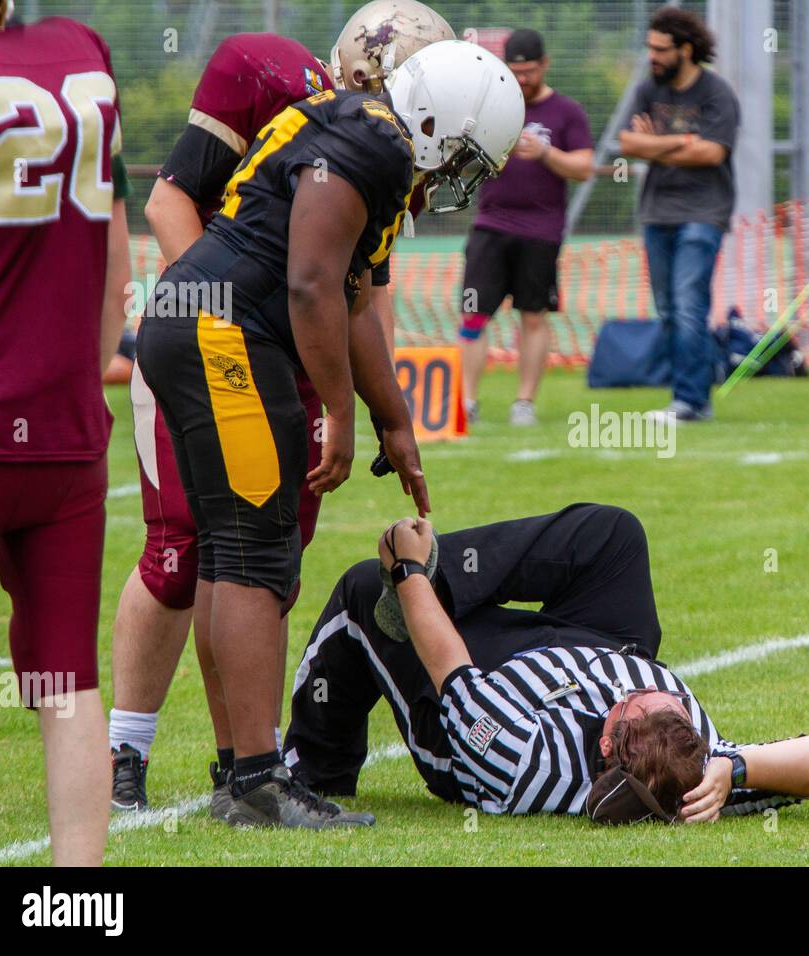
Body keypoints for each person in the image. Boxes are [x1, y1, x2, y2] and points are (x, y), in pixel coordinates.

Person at [136, 40, 522, 830]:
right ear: (435, 120)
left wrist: (395, 421)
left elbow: (349, 302)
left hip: (208, 325)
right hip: (221, 331)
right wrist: (340, 416)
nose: (456, 180)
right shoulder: (375, 141)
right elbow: (310, 282)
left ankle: (241, 772)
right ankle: (255, 782)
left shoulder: (364, 133)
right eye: (464, 158)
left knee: (240, 548)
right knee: (257, 550)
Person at [283, 504, 809, 822]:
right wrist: (742, 767)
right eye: (672, 701)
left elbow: (449, 664)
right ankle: (448, 570)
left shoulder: (523, 758)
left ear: (608, 740)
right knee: (616, 535)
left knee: (366, 588)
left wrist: (407, 575)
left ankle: (313, 766)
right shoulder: (693, 764)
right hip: (577, 647)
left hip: (487, 680)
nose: (659, 688)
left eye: (636, 699)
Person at [0, 0, 132, 864]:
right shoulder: (82, 50)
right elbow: (116, 254)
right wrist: (78, 375)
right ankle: (77, 900)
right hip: (69, 429)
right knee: (65, 683)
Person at [458, 28, 594, 426]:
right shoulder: (493, 107)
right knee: (472, 315)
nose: (522, 79)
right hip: (490, 225)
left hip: (541, 232)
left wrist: (546, 152)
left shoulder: (567, 112)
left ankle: (524, 403)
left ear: (545, 65)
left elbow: (584, 167)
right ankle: (467, 403)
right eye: (515, 71)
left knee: (533, 316)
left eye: (530, 71)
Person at [619, 6, 739, 424]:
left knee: (690, 304)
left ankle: (689, 401)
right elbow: (629, 143)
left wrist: (658, 142)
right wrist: (682, 140)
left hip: (704, 212)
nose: (652, 56)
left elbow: (713, 152)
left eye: (660, 49)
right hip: (657, 212)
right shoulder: (648, 89)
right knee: (669, 309)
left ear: (685, 50)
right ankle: (691, 394)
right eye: (649, 47)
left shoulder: (716, 93)